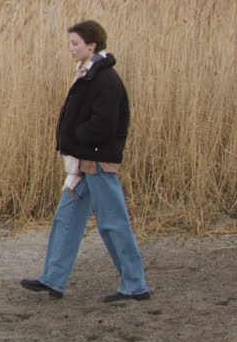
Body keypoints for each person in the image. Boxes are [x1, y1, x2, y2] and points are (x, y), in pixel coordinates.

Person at [21, 20, 151, 302]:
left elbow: (105, 125)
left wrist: (76, 138)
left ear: (91, 45)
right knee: (66, 218)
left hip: (98, 162)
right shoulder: (88, 74)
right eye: (70, 43)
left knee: (112, 222)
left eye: (75, 43)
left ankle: (135, 284)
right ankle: (53, 278)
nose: (70, 48)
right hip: (83, 161)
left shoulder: (105, 79)